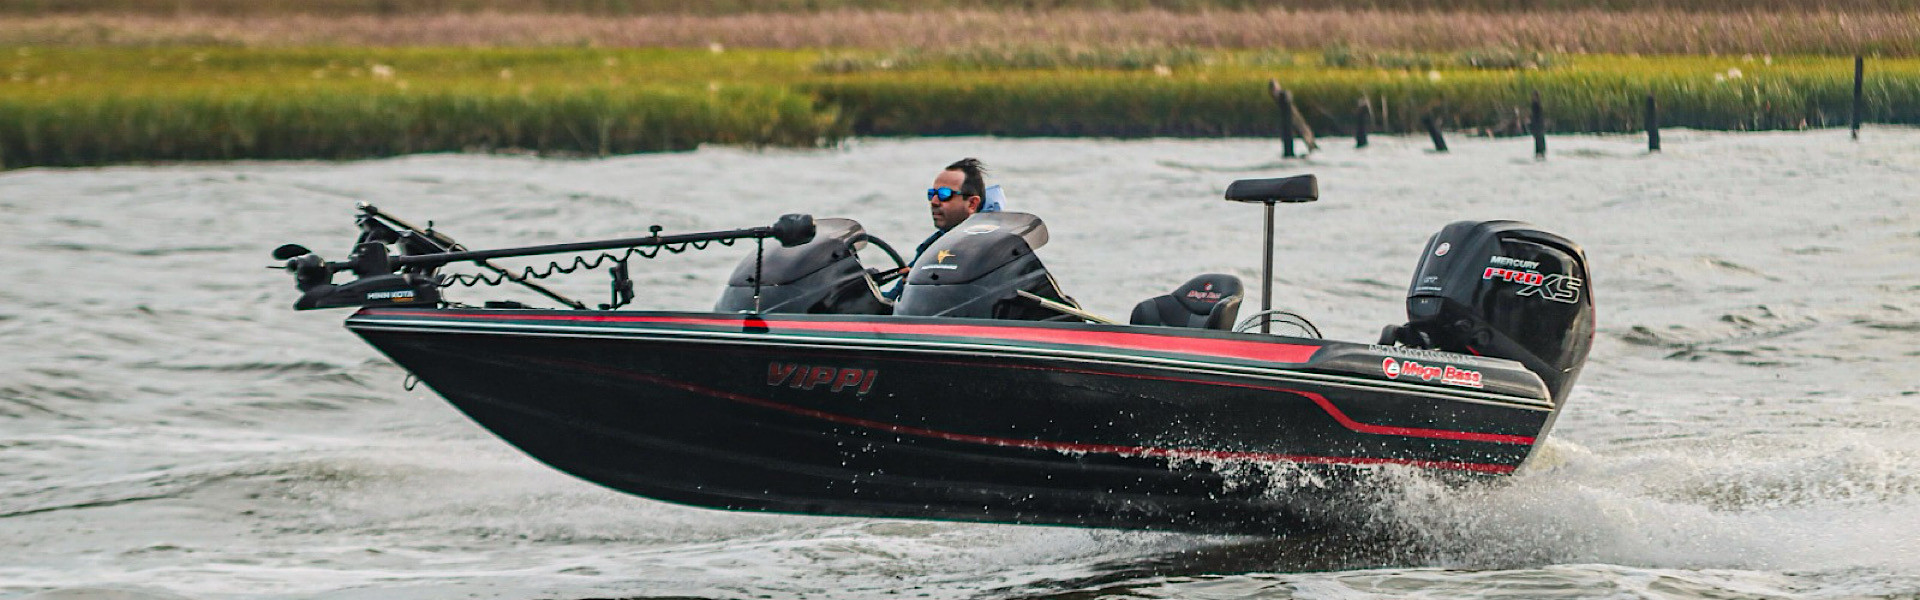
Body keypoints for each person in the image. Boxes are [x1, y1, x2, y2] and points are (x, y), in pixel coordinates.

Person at [883, 158, 989, 300]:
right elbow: (889, 300)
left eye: (944, 195)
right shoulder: (931, 247)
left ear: (972, 203)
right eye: (931, 194)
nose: (934, 202)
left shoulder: (991, 249)